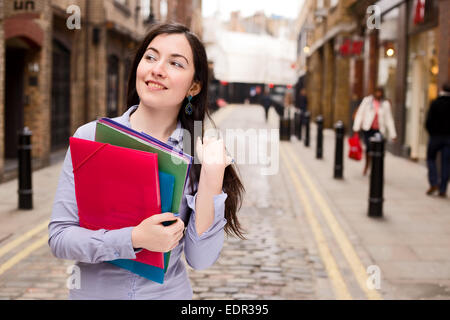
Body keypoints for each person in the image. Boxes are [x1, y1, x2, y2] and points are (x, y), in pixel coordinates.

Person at [48, 23, 245, 299]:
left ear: (194, 86)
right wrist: (133, 239)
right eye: (150, 57)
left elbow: (200, 259)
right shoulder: (91, 137)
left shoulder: (199, 153)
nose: (157, 69)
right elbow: (60, 238)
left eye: (175, 63)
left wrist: (212, 177)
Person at [353, 87, 397, 175]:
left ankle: (375, 167)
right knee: (369, 148)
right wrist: (356, 128)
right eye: (377, 92)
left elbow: (389, 119)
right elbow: (360, 114)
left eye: (380, 92)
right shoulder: (367, 101)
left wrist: (393, 134)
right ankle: (367, 165)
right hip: (368, 129)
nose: (378, 94)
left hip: (379, 131)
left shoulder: (385, 104)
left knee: (377, 150)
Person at [425, 83, 450, 197]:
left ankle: (434, 182)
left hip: (435, 137)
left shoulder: (435, 103)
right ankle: (443, 189)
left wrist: (431, 133)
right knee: (446, 163)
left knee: (431, 159)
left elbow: (428, 122)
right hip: (448, 139)